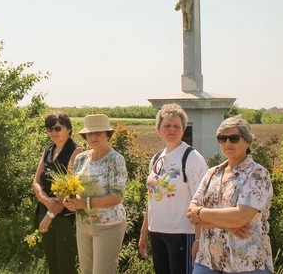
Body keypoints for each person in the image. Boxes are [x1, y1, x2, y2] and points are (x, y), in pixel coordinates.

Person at [187, 115, 274, 274]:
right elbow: (191, 213)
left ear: (247, 142)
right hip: (208, 260)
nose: (227, 143)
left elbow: (241, 216)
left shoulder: (257, 174)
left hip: (246, 263)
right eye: (223, 138)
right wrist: (227, 224)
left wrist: (202, 214)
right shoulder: (212, 173)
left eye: (234, 138)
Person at [138, 104, 208, 274]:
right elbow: (152, 198)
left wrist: (198, 240)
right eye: (167, 126)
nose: (172, 130)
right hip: (158, 232)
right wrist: (144, 231)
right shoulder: (156, 159)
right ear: (158, 129)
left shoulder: (191, 158)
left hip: (182, 233)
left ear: (183, 130)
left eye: (177, 126)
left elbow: (201, 202)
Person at [64, 114, 127, 274]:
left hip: (108, 226)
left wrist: (84, 203)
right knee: (86, 271)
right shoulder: (80, 158)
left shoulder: (115, 160)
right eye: (90, 133)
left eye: (98, 133)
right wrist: (70, 201)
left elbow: (117, 196)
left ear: (107, 135)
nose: (93, 137)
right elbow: (74, 189)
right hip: (83, 224)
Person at [33, 112, 83, 274]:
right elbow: (36, 182)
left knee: (66, 265)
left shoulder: (76, 151)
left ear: (68, 129)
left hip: (64, 216)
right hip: (45, 209)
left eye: (57, 128)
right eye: (49, 129)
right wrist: (45, 200)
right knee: (52, 264)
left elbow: (69, 186)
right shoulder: (48, 150)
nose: (53, 132)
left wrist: (49, 216)